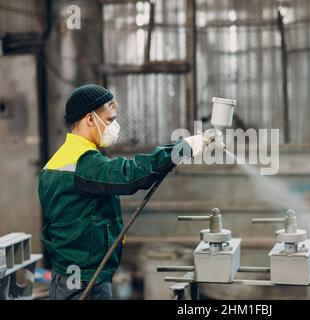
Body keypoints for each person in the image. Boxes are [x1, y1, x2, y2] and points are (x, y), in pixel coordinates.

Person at [38, 84, 207, 299]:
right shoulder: (84, 162)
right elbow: (129, 174)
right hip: (85, 280)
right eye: (109, 120)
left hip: (70, 274)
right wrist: (182, 148)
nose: (114, 126)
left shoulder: (54, 164)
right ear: (90, 119)